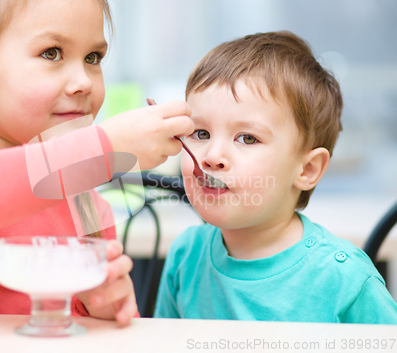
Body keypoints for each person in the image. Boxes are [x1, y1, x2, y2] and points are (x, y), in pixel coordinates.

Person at [0, 0, 194, 325]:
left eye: (93, 58)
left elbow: (115, 330)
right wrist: (102, 148)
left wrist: (107, 311)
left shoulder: (89, 206)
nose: (84, 82)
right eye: (51, 53)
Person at [154, 31, 397, 323]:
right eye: (201, 133)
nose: (211, 156)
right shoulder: (185, 256)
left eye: (246, 138)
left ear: (307, 170)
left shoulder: (345, 280)